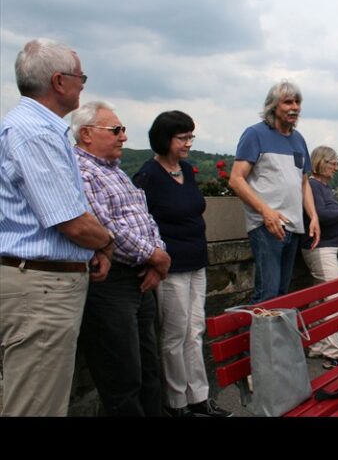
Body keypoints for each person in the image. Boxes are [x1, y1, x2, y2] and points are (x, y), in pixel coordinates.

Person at [0, 39, 113, 416]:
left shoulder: (33, 128)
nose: (83, 84)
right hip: (42, 290)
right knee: (37, 404)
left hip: (39, 284)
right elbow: (72, 222)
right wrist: (106, 242)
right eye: (80, 76)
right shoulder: (36, 133)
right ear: (59, 81)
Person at [73, 101, 170, 416]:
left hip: (139, 277)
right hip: (111, 282)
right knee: (122, 376)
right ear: (86, 134)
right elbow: (105, 227)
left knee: (149, 370)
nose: (124, 137)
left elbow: (145, 218)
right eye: (116, 130)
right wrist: (154, 255)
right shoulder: (81, 170)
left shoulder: (114, 171)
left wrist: (154, 260)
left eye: (123, 130)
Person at [132, 111, 231, 417]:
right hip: (169, 266)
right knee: (175, 334)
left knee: (195, 330)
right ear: (165, 139)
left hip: (196, 260)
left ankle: (199, 396)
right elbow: (140, 223)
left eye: (191, 137)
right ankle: (177, 402)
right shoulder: (148, 176)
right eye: (182, 137)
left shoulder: (186, 170)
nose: (189, 143)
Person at [228, 81, 320, 303]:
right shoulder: (255, 134)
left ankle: (273, 338)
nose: (295, 107)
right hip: (267, 224)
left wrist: (314, 216)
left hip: (294, 225)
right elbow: (236, 179)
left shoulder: (298, 139)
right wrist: (265, 212)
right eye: (288, 102)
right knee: (267, 294)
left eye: (297, 102)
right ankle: (256, 338)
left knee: (281, 295)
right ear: (273, 106)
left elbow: (303, 182)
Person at [300, 146, 338, 369]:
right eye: (333, 163)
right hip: (321, 248)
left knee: (320, 298)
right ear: (322, 162)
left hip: (326, 247)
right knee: (334, 297)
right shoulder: (313, 186)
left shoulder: (323, 186)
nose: (336, 167)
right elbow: (320, 214)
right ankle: (332, 350)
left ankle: (316, 345)